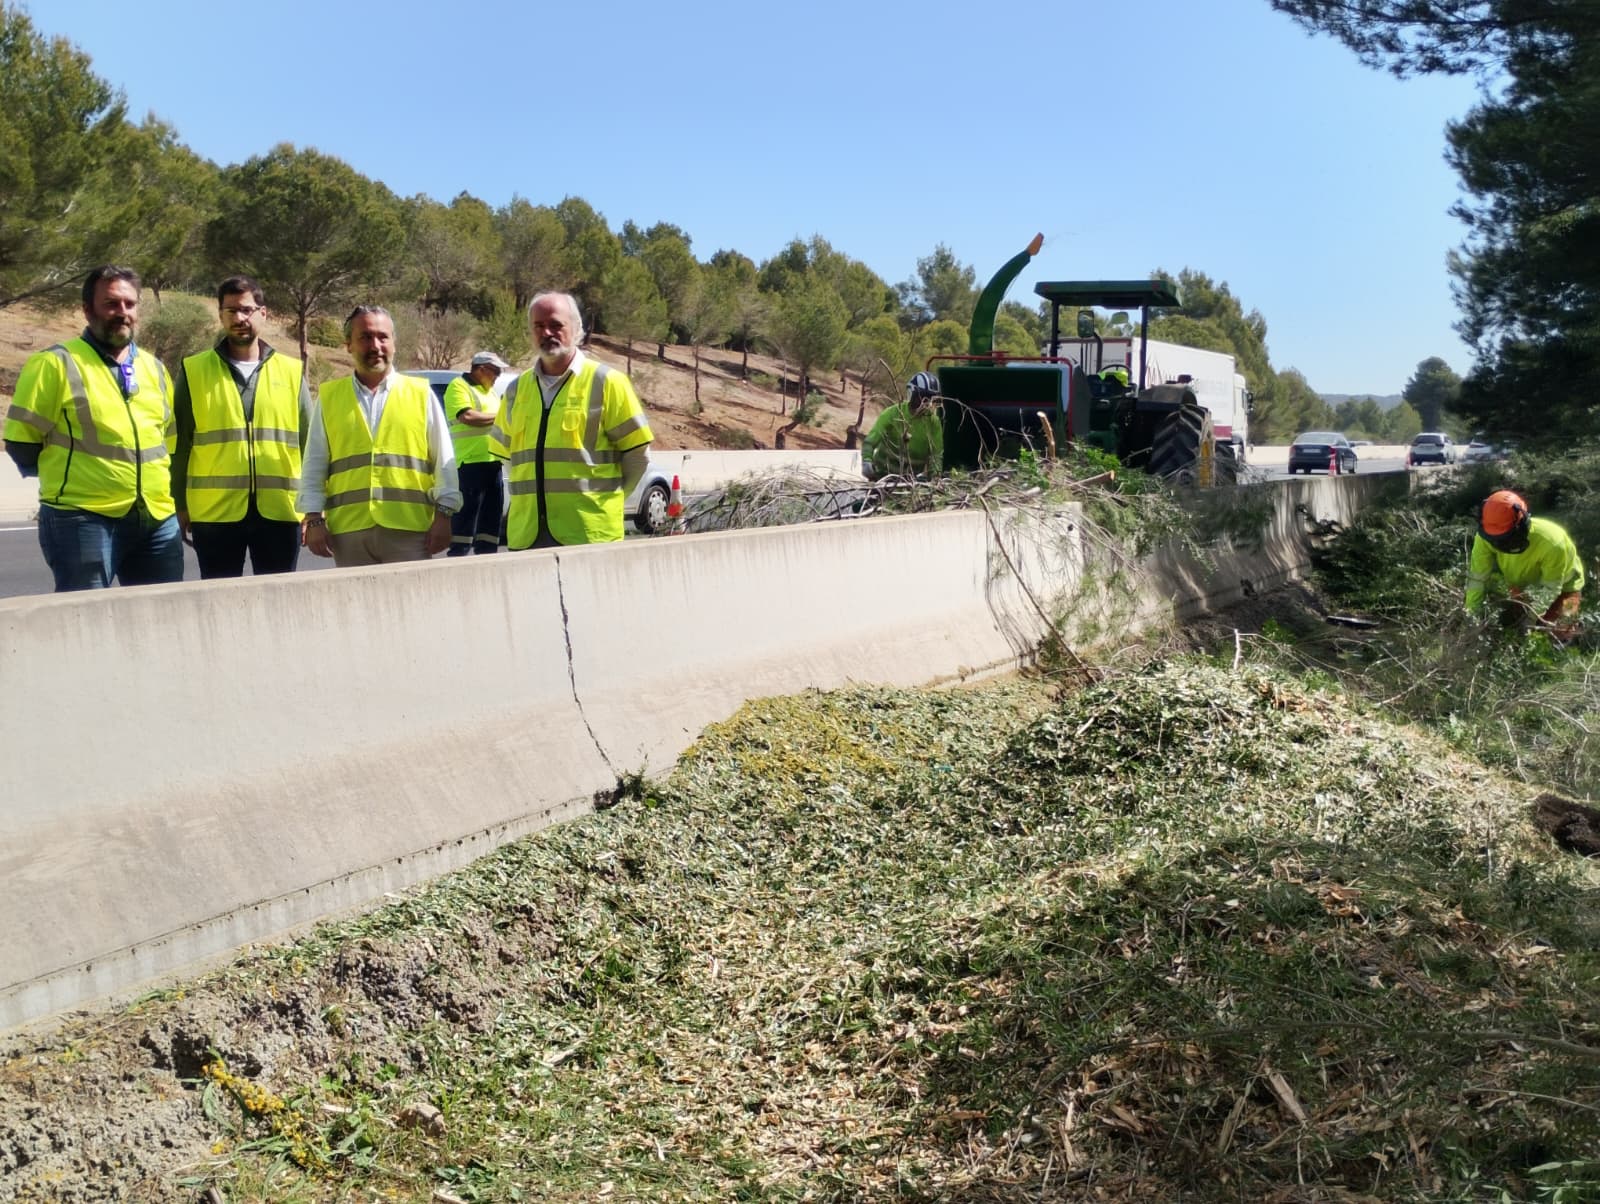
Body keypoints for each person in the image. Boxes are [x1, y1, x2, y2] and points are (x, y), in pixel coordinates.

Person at [2, 265, 183, 591]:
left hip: (156, 519)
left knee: (161, 615)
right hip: (82, 519)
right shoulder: (54, 364)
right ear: (87, 310)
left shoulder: (155, 368)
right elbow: (21, 444)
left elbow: (167, 442)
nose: (122, 312)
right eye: (111, 304)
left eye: (130, 304)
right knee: (85, 614)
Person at [297, 306, 460, 566]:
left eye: (383, 337)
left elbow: (444, 460)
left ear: (394, 343)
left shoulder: (420, 394)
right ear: (348, 345)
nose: (375, 346)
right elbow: (314, 463)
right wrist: (314, 518)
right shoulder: (330, 397)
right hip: (349, 531)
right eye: (365, 337)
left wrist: (444, 515)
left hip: (409, 529)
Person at [488, 292, 653, 549]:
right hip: (527, 534)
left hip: (589, 534)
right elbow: (507, 458)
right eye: (539, 326)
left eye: (556, 325)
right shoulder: (516, 390)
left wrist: (608, 503)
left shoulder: (608, 382)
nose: (547, 333)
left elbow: (637, 456)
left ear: (576, 329)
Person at [171, 275, 311, 577]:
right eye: (231, 311)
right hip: (214, 515)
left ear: (263, 313)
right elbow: (179, 445)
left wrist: (313, 508)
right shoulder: (193, 370)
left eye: (247, 310)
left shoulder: (291, 372)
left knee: (278, 598)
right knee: (219, 598)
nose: (239, 318)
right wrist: (179, 504)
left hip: (281, 512)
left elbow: (308, 445)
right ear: (221, 315)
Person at [1466, 489, 1585, 641]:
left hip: (1566, 588)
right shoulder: (1486, 537)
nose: (1499, 543)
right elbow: (1477, 578)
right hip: (1521, 587)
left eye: (1505, 538)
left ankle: (1571, 636)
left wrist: (1529, 622)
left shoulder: (1553, 542)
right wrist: (1471, 616)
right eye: (1496, 539)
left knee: (1561, 629)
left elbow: (1551, 588)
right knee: (1509, 623)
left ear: (1521, 525)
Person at [444, 350, 510, 555]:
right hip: (470, 463)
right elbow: (468, 417)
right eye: (495, 371)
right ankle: (458, 558)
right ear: (481, 369)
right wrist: (501, 415)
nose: (498, 376)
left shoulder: (490, 392)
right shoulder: (459, 386)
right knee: (466, 520)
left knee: (491, 519)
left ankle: (487, 557)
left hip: (493, 462)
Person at [862, 371, 944, 481]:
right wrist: (867, 460)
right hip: (881, 477)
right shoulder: (893, 413)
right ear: (911, 393)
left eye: (929, 399)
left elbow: (936, 455)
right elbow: (871, 441)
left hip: (910, 481)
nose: (925, 403)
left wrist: (935, 477)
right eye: (922, 397)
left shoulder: (934, 423)